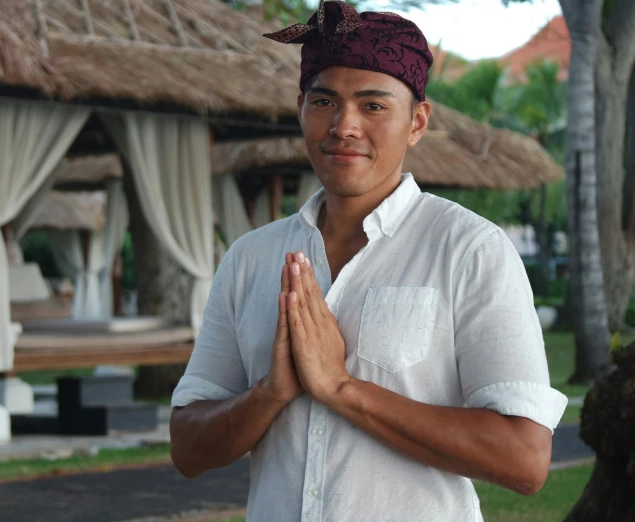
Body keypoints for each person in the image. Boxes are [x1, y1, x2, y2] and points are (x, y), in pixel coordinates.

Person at [169, 1, 568, 520]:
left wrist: (341, 388)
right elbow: (187, 448)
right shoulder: (250, 258)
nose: (343, 126)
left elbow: (524, 459)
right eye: (324, 101)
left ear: (417, 122)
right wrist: (269, 394)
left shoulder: (471, 252)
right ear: (300, 108)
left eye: (373, 106)